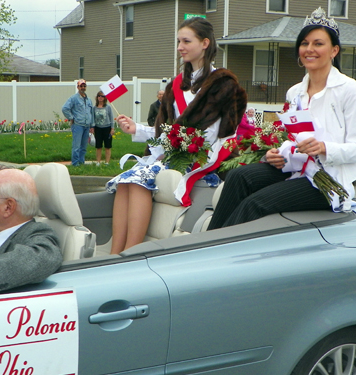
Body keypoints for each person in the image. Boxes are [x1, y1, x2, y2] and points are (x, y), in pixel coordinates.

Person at [208, 7, 356, 230]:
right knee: (238, 177)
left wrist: (324, 147)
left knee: (255, 203)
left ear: (334, 50)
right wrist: (277, 153)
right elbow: (295, 136)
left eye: (318, 43)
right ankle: (206, 244)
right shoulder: (295, 92)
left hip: (328, 180)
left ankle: (220, 254)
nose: (309, 49)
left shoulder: (349, 90)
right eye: (304, 43)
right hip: (296, 167)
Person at [107, 17, 247, 254]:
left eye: (186, 41)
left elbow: (221, 134)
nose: (180, 47)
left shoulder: (224, 85)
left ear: (204, 43)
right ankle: (114, 253)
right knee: (125, 181)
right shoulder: (176, 86)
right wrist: (136, 129)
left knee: (139, 180)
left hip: (203, 157)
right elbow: (166, 132)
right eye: (178, 41)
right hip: (173, 154)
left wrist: (188, 148)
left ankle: (130, 254)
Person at [62, 79, 95, 166]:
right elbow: (65, 108)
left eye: (84, 86)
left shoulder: (89, 100)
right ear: (78, 87)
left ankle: (81, 162)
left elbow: (91, 112)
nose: (83, 87)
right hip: (78, 125)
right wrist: (71, 118)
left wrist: (92, 125)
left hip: (87, 125)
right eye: (81, 86)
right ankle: (75, 163)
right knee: (76, 146)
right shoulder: (73, 98)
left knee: (83, 147)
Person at [94, 92, 114, 166]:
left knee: (107, 146)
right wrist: (92, 127)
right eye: (99, 96)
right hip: (98, 128)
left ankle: (107, 162)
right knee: (98, 146)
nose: (100, 97)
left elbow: (111, 118)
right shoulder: (94, 108)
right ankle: (98, 162)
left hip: (107, 128)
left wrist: (112, 128)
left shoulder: (108, 107)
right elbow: (93, 118)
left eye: (102, 96)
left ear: (105, 98)